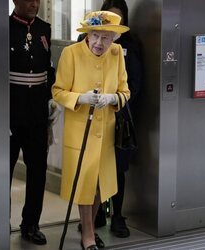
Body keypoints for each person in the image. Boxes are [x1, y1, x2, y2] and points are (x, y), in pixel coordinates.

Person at [52, 11, 130, 250]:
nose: (99, 43)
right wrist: (81, 98)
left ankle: (90, 228)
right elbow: (57, 91)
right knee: (84, 182)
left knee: (99, 185)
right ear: (87, 33)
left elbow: (126, 93)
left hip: (105, 132)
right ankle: (88, 235)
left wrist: (112, 98)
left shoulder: (117, 55)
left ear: (114, 39)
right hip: (80, 132)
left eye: (106, 38)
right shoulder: (71, 54)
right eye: (95, 35)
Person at [78, 0, 143, 238]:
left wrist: (116, 100)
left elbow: (134, 84)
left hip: (119, 116)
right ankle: (93, 218)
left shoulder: (128, 46)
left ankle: (117, 216)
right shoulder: (84, 44)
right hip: (88, 115)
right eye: (108, 18)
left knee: (116, 169)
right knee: (90, 171)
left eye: (118, 20)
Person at [10, 0, 56, 245]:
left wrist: (51, 99)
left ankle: (31, 224)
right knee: (3, 170)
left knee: (37, 171)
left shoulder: (43, 28)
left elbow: (48, 69)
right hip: (10, 112)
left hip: (37, 113)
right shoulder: (4, 27)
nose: (33, 4)